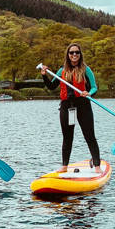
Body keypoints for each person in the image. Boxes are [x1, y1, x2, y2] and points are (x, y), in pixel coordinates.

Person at [40, 42, 101, 172]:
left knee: (89, 136)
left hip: (83, 105)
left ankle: (97, 166)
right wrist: (44, 75)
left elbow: (95, 87)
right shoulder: (61, 71)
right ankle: (64, 166)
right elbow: (51, 87)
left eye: (77, 52)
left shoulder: (86, 70)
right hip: (67, 106)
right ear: (68, 55)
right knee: (67, 137)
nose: (74, 54)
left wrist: (88, 93)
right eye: (71, 52)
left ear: (80, 54)